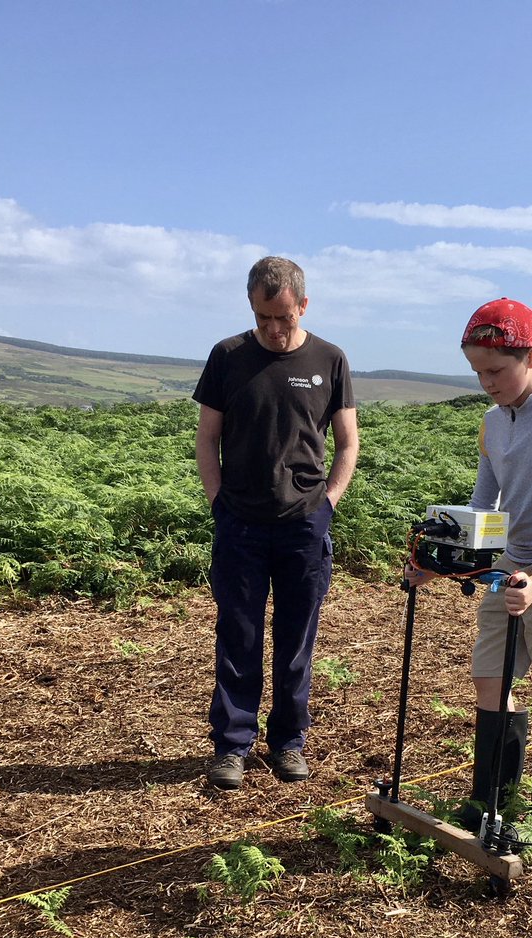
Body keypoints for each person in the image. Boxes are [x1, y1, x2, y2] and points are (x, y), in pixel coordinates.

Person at [407, 298, 532, 817]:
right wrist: (440, 562)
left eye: (496, 370)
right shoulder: (493, 422)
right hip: (512, 566)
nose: (488, 382)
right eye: (477, 372)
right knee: (489, 674)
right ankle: (492, 796)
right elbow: (483, 507)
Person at [194, 256, 359, 790]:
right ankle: (231, 747)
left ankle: (288, 741)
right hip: (240, 523)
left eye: (282, 318)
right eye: (262, 318)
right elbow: (207, 439)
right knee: (237, 636)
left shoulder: (330, 359)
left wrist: (328, 503)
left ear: (302, 305)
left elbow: (348, 442)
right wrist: (219, 502)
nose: (271, 329)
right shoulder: (227, 356)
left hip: (304, 525)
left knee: (296, 640)